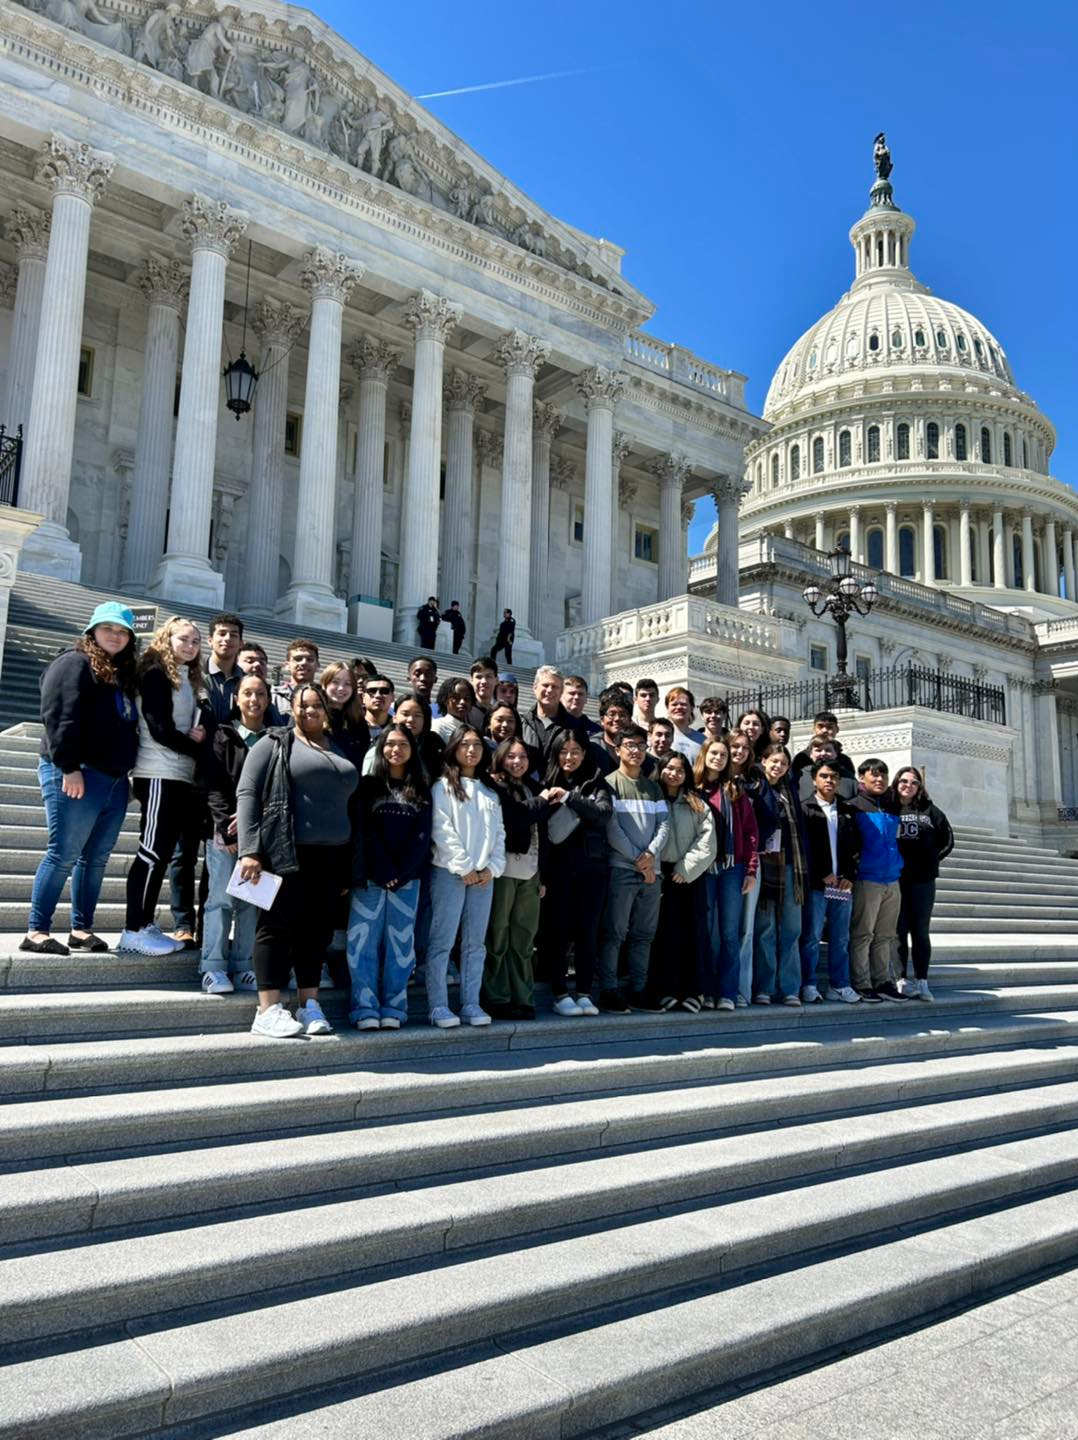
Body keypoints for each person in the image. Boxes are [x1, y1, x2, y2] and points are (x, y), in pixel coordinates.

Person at [236, 684, 362, 1038]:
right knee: (276, 927)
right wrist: (249, 849)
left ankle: (309, 1004)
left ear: (326, 709)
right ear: (291, 708)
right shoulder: (273, 743)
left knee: (317, 931)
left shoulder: (339, 747)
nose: (309, 712)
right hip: (285, 850)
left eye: (316, 705)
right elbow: (247, 794)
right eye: (302, 706)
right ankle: (268, 1009)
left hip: (332, 854)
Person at [23, 601, 140, 956]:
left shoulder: (118, 672)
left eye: (122, 631)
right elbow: (59, 717)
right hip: (78, 773)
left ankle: (80, 928)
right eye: (109, 629)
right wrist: (69, 767)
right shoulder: (73, 663)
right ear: (92, 631)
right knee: (63, 854)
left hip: (114, 780)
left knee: (96, 858)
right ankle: (37, 930)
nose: (116, 636)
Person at [119, 616, 213, 957]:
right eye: (183, 640)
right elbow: (159, 729)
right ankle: (132, 929)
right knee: (151, 851)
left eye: (195, 641)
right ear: (166, 639)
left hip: (178, 775)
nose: (190, 646)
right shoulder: (156, 673)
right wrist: (196, 745)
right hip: (158, 772)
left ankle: (144, 923)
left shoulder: (186, 676)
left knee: (160, 854)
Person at [347, 725, 432, 1029]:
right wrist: (383, 869)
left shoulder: (421, 787)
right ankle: (364, 1008)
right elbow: (364, 831)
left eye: (403, 745)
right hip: (370, 877)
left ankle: (395, 1008)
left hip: (407, 880)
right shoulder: (368, 786)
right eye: (390, 744)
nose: (396, 750)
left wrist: (401, 872)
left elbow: (422, 836)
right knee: (362, 944)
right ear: (381, 748)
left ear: (412, 750)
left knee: (400, 947)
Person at [426, 726, 506, 1028]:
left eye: (476, 745)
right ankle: (438, 1006)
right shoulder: (441, 787)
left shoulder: (488, 791)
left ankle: (471, 1003)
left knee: (476, 944)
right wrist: (464, 867)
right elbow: (441, 830)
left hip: (484, 879)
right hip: (450, 873)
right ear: (454, 748)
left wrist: (492, 868)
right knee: (442, 942)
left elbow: (499, 834)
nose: (471, 750)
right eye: (465, 744)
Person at [201, 672, 271, 993]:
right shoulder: (222, 734)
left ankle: (243, 965)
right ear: (236, 698)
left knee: (250, 902)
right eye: (247, 694)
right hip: (223, 833)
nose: (253, 700)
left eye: (259, 694)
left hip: (258, 833)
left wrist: (253, 824)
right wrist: (227, 824)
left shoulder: (275, 739)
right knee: (220, 899)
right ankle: (213, 966)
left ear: (268, 700)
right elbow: (212, 783)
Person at [483, 738, 561, 1019]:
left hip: (531, 872)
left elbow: (546, 835)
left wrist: (543, 875)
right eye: (511, 756)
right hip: (503, 871)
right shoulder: (493, 786)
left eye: (523, 757)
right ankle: (497, 996)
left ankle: (523, 997)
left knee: (524, 939)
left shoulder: (535, 787)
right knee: (497, 935)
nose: (518, 762)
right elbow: (514, 817)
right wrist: (541, 801)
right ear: (501, 758)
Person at [596, 725, 670, 1013]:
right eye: (629, 745)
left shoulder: (654, 787)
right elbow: (612, 829)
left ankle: (639, 989)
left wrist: (650, 855)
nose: (636, 750)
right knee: (614, 932)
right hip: (622, 869)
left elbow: (665, 824)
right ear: (617, 750)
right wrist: (639, 860)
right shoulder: (609, 783)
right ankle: (609, 989)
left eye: (641, 744)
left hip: (652, 872)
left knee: (643, 934)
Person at [540, 735, 612, 1016]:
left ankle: (583, 992)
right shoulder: (545, 783)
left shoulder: (596, 783)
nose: (569, 757)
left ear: (585, 754)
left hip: (592, 869)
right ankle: (559, 993)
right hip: (558, 871)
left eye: (576, 752)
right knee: (557, 932)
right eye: (564, 752)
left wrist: (570, 797)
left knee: (587, 933)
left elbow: (603, 814)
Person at [695, 736, 759, 1011]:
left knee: (730, 933)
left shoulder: (735, 790)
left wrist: (751, 870)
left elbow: (750, 832)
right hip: (704, 869)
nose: (719, 758)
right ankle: (706, 990)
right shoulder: (694, 790)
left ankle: (728, 993)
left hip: (733, 868)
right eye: (714, 753)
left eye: (723, 754)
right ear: (705, 755)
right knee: (708, 932)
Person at [651, 751, 716, 1012]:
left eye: (680, 769)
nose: (674, 774)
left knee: (693, 933)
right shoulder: (652, 798)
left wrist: (686, 868)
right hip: (657, 873)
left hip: (689, 875)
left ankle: (694, 991)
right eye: (669, 768)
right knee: (664, 935)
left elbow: (707, 839)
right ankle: (666, 989)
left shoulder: (696, 803)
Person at [799, 759, 863, 1005]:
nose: (829, 780)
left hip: (842, 886)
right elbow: (804, 849)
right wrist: (820, 873)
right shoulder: (805, 809)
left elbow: (857, 847)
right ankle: (809, 984)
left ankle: (839, 985)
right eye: (824, 776)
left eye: (833, 776)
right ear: (814, 779)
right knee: (812, 937)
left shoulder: (848, 811)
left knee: (841, 938)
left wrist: (850, 875)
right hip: (817, 885)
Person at [888, 766, 954, 1001]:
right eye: (904, 781)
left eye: (914, 782)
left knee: (920, 932)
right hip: (895, 879)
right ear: (896, 783)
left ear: (920, 787)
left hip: (922, 880)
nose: (908, 786)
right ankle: (901, 979)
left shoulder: (931, 811)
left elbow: (947, 840)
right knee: (898, 931)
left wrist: (930, 861)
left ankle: (922, 980)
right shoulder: (889, 806)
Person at [752, 743, 809, 1006]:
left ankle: (789, 988)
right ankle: (764, 986)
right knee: (765, 929)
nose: (778, 766)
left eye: (783, 763)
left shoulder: (790, 791)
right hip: (765, 863)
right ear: (763, 761)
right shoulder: (754, 785)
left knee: (791, 929)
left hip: (791, 865)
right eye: (774, 761)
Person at [849, 758, 905, 1003]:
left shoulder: (892, 807)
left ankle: (883, 981)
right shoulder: (854, 807)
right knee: (863, 933)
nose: (880, 779)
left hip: (892, 880)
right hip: (867, 879)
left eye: (883, 775)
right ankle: (861, 982)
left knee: (885, 935)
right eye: (874, 775)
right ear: (862, 778)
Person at [728, 729, 764, 1006]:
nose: (738, 751)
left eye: (744, 747)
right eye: (734, 746)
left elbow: (756, 829)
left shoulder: (757, 782)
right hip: (718, 864)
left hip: (747, 861)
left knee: (746, 929)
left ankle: (741, 988)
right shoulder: (713, 779)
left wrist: (751, 868)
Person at [521, 665, 588, 763]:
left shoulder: (575, 726)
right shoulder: (522, 722)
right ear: (535, 688)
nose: (549, 690)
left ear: (561, 692)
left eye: (555, 687)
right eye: (545, 685)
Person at [321, 661, 371, 772]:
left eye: (348, 684)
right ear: (324, 684)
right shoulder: (314, 716)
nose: (341, 688)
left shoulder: (358, 721)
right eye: (335, 682)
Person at [792, 711, 856, 789]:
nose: (824, 730)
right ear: (814, 729)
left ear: (837, 729)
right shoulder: (802, 758)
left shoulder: (845, 761)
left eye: (829, 727)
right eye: (820, 726)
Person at [204, 612, 244, 725]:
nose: (227, 639)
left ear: (241, 643)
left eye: (234, 635)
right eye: (222, 634)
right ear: (210, 640)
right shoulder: (194, 674)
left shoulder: (246, 681)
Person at [591, 689, 631, 776]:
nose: (617, 719)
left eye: (622, 715)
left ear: (630, 720)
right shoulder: (591, 748)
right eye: (612, 714)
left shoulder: (637, 750)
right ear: (602, 720)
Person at [272, 638, 319, 712]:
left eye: (310, 659)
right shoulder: (274, 695)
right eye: (298, 659)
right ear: (287, 665)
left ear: (317, 666)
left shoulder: (325, 697)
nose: (304, 663)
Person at [664, 687, 703, 762]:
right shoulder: (660, 737)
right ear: (667, 708)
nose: (679, 707)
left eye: (683, 704)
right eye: (674, 704)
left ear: (691, 708)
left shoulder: (702, 740)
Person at [433, 676, 477, 741]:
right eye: (456, 698)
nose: (462, 702)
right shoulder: (438, 726)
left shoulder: (473, 730)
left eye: (467, 698)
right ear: (445, 700)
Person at [361, 673, 394, 739]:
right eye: (372, 691)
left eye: (384, 691)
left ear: (392, 697)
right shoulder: (350, 725)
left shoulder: (399, 728)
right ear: (363, 697)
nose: (378, 695)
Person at [468, 657, 497, 730]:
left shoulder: (498, 712)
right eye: (479, 677)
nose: (484, 681)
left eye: (488, 676)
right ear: (471, 680)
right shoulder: (465, 710)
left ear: (496, 680)